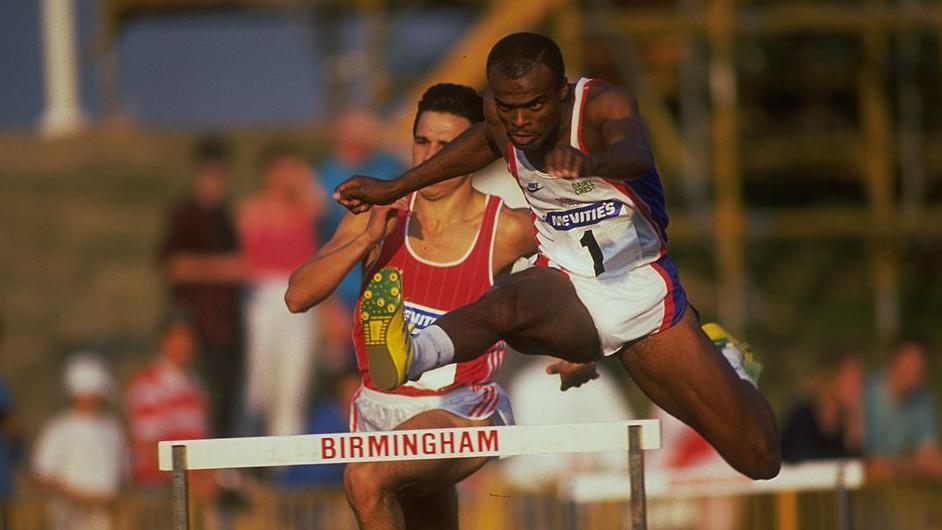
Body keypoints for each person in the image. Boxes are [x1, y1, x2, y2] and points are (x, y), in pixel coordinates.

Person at [335, 32, 781, 480]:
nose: (520, 120)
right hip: (567, 284)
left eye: (534, 106)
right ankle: (411, 353)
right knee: (508, 302)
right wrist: (393, 187)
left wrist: (593, 165)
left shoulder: (604, 105)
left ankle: (727, 361)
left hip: (642, 297)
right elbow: (478, 144)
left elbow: (636, 153)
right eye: (507, 107)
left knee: (759, 459)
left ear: (561, 92)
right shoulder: (500, 117)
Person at [286, 83, 551, 530]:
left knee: (366, 480)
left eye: (447, 146)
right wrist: (368, 240)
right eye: (422, 141)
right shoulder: (378, 213)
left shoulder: (506, 227)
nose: (430, 157)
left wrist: (578, 353)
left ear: (473, 154)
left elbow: (581, 272)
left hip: (460, 408)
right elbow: (298, 295)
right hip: (379, 409)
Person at [159, 136, 246, 438]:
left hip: (227, 322)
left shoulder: (226, 215)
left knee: (228, 396)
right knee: (203, 396)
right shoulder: (185, 214)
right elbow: (174, 266)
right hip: (197, 322)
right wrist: (226, 269)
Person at [239, 146, 324, 436]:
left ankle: (286, 458)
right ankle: (250, 444)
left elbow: (320, 201)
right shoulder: (252, 210)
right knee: (260, 376)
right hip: (265, 296)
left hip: (301, 295)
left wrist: (301, 176)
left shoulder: (304, 210)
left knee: (295, 375)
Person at [33, 354, 127, 530]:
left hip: (106, 519)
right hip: (69, 519)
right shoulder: (59, 428)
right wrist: (82, 498)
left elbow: (122, 472)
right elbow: (43, 476)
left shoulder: (111, 427)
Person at [126, 310, 211, 487]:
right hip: (160, 486)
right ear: (162, 341)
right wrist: (193, 482)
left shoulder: (195, 385)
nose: (184, 345)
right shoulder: (148, 385)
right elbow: (147, 449)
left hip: (193, 484)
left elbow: (201, 440)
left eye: (188, 338)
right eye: (177, 338)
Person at [864, 337, 942, 480]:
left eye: (917, 374)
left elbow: (929, 455)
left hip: (892, 477)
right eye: (906, 371)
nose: (911, 379)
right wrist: (912, 466)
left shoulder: (922, 399)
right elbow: (869, 462)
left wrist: (900, 466)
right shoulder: (866, 391)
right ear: (892, 364)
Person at [781, 353, 863, 463]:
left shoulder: (843, 420)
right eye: (852, 379)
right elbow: (801, 461)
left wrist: (854, 420)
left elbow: (853, 465)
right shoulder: (803, 416)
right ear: (832, 380)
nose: (858, 385)